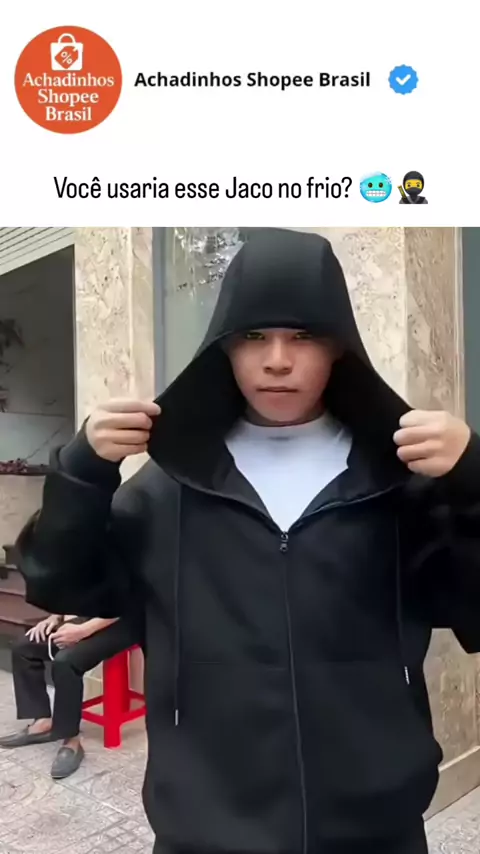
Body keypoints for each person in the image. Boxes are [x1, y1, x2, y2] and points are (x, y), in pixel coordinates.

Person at [14, 229, 480, 853]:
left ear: (338, 346)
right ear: (224, 346)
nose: (278, 360)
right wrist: (81, 472)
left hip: (377, 828)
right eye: (254, 336)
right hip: (206, 829)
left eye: (303, 335)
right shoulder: (170, 486)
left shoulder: (394, 481)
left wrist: (473, 479)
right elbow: (61, 581)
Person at [0, 606, 138, 779]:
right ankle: (42, 723)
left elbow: (127, 604)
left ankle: (71, 741)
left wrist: (82, 631)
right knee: (24, 648)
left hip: (122, 623)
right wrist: (53, 618)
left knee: (66, 662)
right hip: (87, 619)